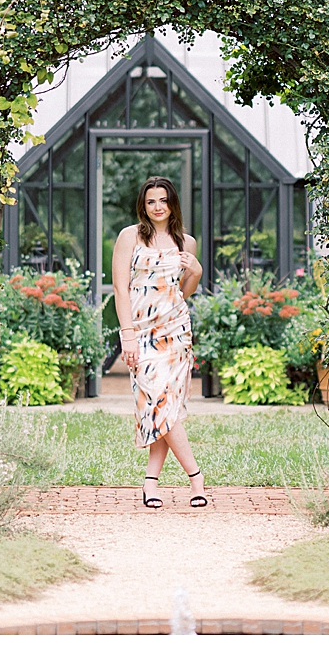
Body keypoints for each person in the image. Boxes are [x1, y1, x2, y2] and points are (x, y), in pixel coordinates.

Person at [112, 175, 207, 508]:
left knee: (164, 407)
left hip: (175, 331)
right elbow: (121, 289)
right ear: (143, 204)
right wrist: (128, 335)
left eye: (163, 200)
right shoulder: (130, 237)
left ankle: (150, 484)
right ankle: (196, 477)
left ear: (172, 204)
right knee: (156, 401)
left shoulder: (186, 241)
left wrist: (195, 269)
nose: (157, 207)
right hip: (141, 331)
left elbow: (185, 290)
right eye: (151, 201)